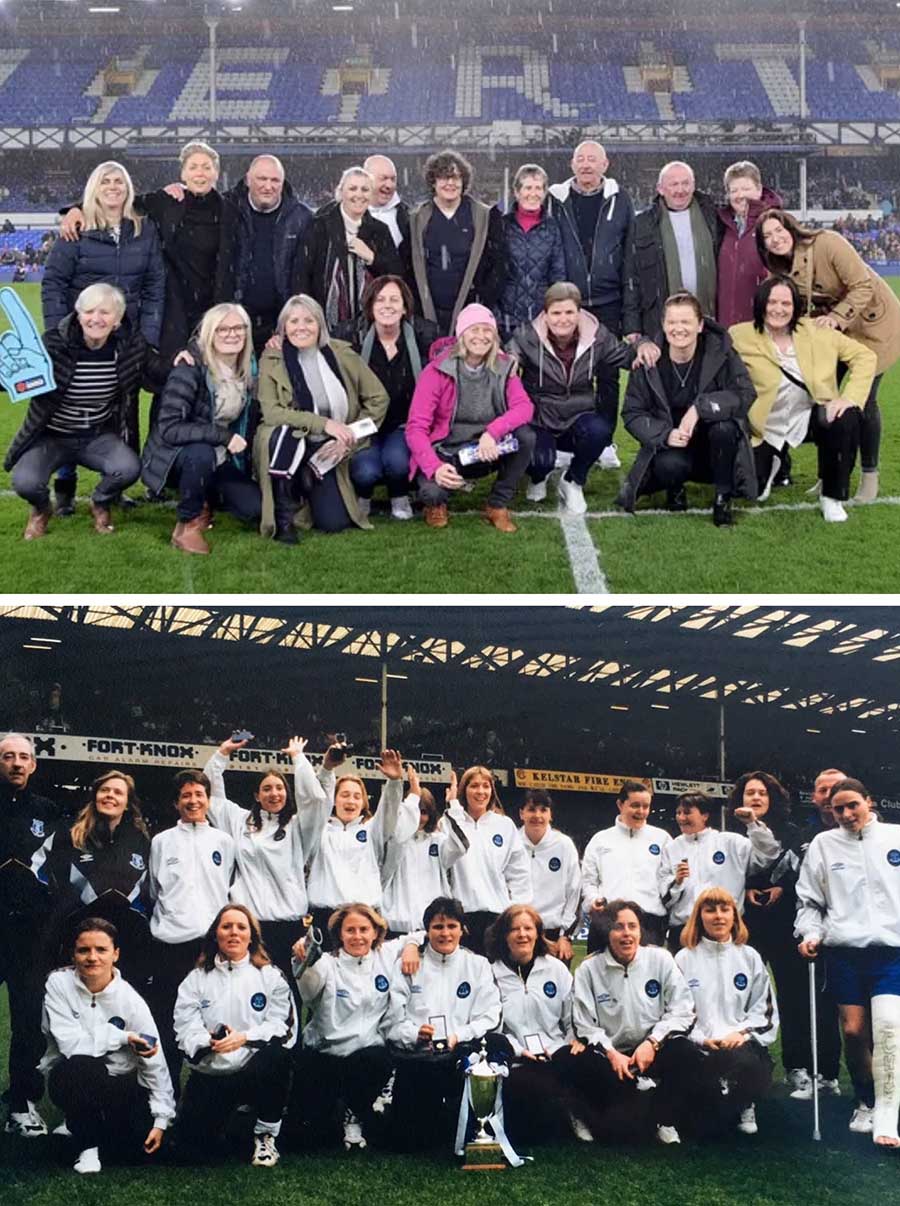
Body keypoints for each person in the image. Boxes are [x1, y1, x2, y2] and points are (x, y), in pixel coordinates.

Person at [41, 160, 165, 514]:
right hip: (80, 339)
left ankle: (114, 485)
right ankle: (64, 486)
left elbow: (156, 285)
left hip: (124, 340)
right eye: (106, 181)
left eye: (120, 182)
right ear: (94, 187)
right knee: (70, 405)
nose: (113, 187)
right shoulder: (74, 231)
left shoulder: (144, 229)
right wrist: (57, 334)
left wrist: (148, 336)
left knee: (121, 410)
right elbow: (53, 284)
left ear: (128, 189)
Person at [757, 206, 900, 502]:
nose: (775, 238)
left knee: (864, 399)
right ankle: (832, 475)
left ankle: (869, 476)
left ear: (791, 227)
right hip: (834, 333)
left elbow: (864, 284)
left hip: (875, 324)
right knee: (824, 396)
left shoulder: (828, 242)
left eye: (778, 230)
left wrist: (836, 317)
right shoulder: (780, 270)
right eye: (767, 236)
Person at [5, 283, 159, 541]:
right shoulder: (53, 344)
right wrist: (7, 375)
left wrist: (183, 360)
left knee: (128, 468)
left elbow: (157, 369)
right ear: (78, 314)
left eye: (105, 312)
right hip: (52, 435)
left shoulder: (131, 346)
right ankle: (41, 509)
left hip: (97, 435)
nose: (95, 319)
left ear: (118, 319)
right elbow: (20, 378)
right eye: (89, 311)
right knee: (25, 482)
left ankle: (100, 502)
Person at [61, 141, 238, 364]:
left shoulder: (230, 210)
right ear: (183, 173)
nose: (200, 173)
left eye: (206, 167)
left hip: (214, 307)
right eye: (193, 167)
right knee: (171, 378)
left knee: (212, 376)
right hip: (173, 311)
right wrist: (76, 209)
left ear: (216, 173)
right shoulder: (165, 202)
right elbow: (118, 200)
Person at [795, 777, 900, 1146]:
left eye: (852, 805)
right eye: (838, 808)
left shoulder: (895, 837)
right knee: (854, 1033)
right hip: (845, 953)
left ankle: (888, 1114)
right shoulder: (824, 845)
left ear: (869, 801)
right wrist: (811, 935)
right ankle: (866, 1100)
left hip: (892, 951)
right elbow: (809, 901)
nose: (846, 813)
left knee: (888, 1028)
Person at [729, 275, 876, 523]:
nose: (778, 309)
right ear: (761, 303)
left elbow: (865, 357)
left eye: (786, 304)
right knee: (750, 493)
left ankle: (832, 497)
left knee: (845, 416)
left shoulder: (818, 331)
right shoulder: (739, 334)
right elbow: (709, 348)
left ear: (796, 307)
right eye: (772, 302)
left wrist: (849, 398)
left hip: (807, 416)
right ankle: (772, 459)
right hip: (764, 426)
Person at [39, 917, 175, 1175]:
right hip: (71, 1077)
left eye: (101, 950)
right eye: (84, 950)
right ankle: (87, 1148)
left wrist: (160, 1120)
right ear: (73, 954)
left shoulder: (131, 1001)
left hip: (117, 1085)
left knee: (135, 1153)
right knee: (81, 1066)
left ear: (116, 954)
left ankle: (79, 1129)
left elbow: (154, 1059)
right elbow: (71, 1045)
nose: (92, 957)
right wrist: (122, 1037)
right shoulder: (58, 984)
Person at [507, 281, 658, 514]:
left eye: (570, 312)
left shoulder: (597, 336)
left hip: (578, 416)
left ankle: (573, 481)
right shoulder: (526, 336)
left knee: (600, 430)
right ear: (545, 315)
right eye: (556, 313)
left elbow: (626, 357)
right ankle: (538, 477)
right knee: (539, 461)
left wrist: (642, 344)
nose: (563, 319)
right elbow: (508, 357)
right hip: (540, 419)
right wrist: (508, 361)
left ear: (579, 313)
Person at [253, 293, 388, 542]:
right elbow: (272, 412)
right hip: (292, 439)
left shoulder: (342, 354)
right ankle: (284, 508)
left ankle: (307, 479)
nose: (301, 327)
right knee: (281, 435)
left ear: (320, 324)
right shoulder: (272, 358)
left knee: (333, 523)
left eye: (309, 320)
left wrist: (349, 436)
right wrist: (325, 423)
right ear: (284, 327)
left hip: (330, 445)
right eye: (293, 322)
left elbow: (379, 398)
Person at [617, 291, 757, 526]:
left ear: (700, 325)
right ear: (663, 325)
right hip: (674, 444)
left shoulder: (721, 352)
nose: (678, 329)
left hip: (712, 446)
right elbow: (632, 413)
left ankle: (723, 499)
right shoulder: (648, 359)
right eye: (672, 322)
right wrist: (665, 434)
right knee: (670, 466)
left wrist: (700, 408)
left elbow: (745, 393)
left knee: (724, 428)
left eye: (686, 322)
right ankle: (675, 487)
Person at [173, 904, 296, 1167]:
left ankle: (265, 1134)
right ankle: (237, 1122)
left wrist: (244, 1037)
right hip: (212, 1073)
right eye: (226, 926)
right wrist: (209, 1042)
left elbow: (283, 1028)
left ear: (252, 936)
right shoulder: (195, 980)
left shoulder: (271, 976)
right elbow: (184, 1030)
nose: (234, 933)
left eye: (241, 927)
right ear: (215, 934)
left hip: (253, 1070)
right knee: (190, 1151)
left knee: (277, 1056)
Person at [201, 732, 329, 985]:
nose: (274, 794)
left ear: (287, 793)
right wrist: (222, 754)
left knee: (290, 994)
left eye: (280, 788)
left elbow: (315, 800)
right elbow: (211, 797)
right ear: (257, 796)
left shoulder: (299, 827)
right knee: (248, 992)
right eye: (267, 789)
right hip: (250, 926)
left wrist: (299, 760)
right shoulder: (239, 821)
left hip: (290, 926)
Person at [572, 899, 698, 1144]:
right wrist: (611, 1053)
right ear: (607, 932)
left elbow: (684, 1011)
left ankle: (666, 1118)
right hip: (614, 1058)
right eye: (618, 927)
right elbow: (584, 1024)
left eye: (633, 926)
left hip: (653, 1051)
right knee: (621, 1130)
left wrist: (653, 1042)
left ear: (641, 931)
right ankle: (627, 1103)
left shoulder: (661, 959)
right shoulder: (589, 969)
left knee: (687, 1052)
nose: (626, 933)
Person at [141, 302, 261, 554]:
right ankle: (188, 524)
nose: (232, 334)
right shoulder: (190, 366)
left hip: (219, 456)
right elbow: (170, 429)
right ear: (209, 333)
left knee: (254, 509)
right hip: (176, 457)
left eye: (238, 328)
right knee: (201, 453)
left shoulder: (247, 368)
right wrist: (224, 436)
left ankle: (207, 497)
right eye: (222, 329)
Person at [386, 895, 502, 1151]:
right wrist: (415, 1033)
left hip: (460, 1055)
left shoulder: (478, 965)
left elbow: (491, 1014)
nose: (445, 933)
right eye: (438, 927)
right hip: (418, 1056)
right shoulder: (409, 964)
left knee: (451, 1132)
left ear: (463, 929)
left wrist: (460, 1035)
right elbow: (393, 1020)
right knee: (407, 1141)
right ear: (427, 930)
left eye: (452, 926)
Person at [405, 303, 535, 532]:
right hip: (448, 452)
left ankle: (497, 504)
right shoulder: (436, 371)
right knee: (431, 492)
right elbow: (416, 428)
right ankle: (436, 504)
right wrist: (434, 466)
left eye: (487, 331)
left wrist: (492, 433)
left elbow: (524, 407)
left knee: (526, 437)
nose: (481, 337)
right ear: (461, 335)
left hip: (488, 449)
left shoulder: (504, 366)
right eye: (474, 330)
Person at [548, 140, 638, 468]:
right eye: (581, 159)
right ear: (572, 164)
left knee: (608, 376)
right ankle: (563, 440)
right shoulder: (555, 199)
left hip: (609, 302)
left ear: (605, 164)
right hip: (568, 304)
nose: (586, 165)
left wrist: (631, 316)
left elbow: (630, 258)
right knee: (565, 375)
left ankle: (605, 441)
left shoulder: (620, 199)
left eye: (593, 160)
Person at [146, 768, 238, 1088]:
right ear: (176, 803)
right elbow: (154, 891)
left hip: (212, 946)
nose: (193, 800)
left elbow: (228, 887)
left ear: (208, 799)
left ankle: (215, 1093)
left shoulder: (224, 841)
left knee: (216, 1020)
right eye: (186, 795)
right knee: (170, 1024)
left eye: (199, 794)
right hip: (171, 946)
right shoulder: (161, 842)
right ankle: (166, 1098)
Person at [726, 771, 807, 1095]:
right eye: (749, 793)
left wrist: (780, 888)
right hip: (749, 927)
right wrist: (743, 890)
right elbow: (727, 873)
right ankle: (744, 1065)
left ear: (772, 798)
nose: (756, 798)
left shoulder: (790, 832)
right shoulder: (731, 832)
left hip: (785, 924)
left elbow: (801, 874)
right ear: (740, 799)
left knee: (794, 999)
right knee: (745, 997)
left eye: (762, 793)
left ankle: (797, 1066)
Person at [486, 904, 594, 1144]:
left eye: (528, 928)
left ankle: (577, 1113)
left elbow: (572, 1013)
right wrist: (518, 1050)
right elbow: (495, 1026)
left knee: (586, 1063)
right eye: (515, 929)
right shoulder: (492, 973)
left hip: (556, 1051)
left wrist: (573, 1040)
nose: (522, 934)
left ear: (538, 933)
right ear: (504, 935)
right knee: (532, 1106)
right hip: (518, 1058)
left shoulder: (555, 969)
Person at [293, 902, 397, 1151]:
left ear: (375, 932)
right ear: (339, 934)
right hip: (326, 1056)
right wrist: (305, 963)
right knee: (307, 1138)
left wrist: (413, 947)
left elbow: (422, 935)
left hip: (367, 1058)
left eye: (364, 929)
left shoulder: (387, 956)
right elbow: (307, 993)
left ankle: (355, 1112)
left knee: (377, 1059)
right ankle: (335, 1109)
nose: (358, 936)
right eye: (350, 930)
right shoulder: (326, 962)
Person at [675, 887, 778, 1138]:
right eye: (710, 910)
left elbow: (764, 1012)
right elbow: (677, 1010)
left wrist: (740, 1034)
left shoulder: (750, 957)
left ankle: (745, 1103)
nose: (718, 916)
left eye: (725, 909)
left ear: (735, 915)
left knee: (753, 1064)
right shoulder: (683, 959)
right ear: (699, 917)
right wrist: (701, 1038)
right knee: (704, 1122)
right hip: (700, 1044)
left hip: (738, 1043)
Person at [31, 770, 152, 983]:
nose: (110, 796)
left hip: (125, 944)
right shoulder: (68, 836)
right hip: (73, 940)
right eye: (104, 790)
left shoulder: (141, 842)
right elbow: (39, 875)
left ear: (127, 803)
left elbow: (147, 893)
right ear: (95, 796)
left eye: (117, 792)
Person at [336, 275, 439, 521]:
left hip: (403, 424)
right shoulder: (353, 338)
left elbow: (451, 352)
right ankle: (363, 496)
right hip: (365, 423)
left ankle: (399, 495)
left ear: (405, 307)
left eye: (395, 299)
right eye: (380, 300)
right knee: (365, 471)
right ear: (371, 307)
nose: (387, 305)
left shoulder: (424, 336)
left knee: (398, 463)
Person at [0, 732, 58, 1137]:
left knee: (27, 1020)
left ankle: (21, 1103)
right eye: (8, 757)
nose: (17, 764)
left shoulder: (49, 811)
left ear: (33, 765)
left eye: (23, 757)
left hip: (28, 933)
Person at [306, 747, 420, 942]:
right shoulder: (319, 831)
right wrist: (326, 770)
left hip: (364, 918)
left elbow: (389, 812)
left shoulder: (371, 831)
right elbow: (316, 802)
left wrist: (394, 783)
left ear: (364, 803)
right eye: (345, 795)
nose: (351, 801)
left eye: (357, 796)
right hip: (325, 918)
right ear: (334, 799)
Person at [784, 767, 847, 1099]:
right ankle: (800, 1068)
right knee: (801, 1002)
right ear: (814, 796)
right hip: (806, 931)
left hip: (851, 934)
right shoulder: (800, 835)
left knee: (844, 1010)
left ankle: (830, 1072)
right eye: (822, 790)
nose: (828, 795)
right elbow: (783, 875)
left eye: (835, 788)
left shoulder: (866, 834)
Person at [658, 790, 781, 952]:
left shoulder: (730, 842)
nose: (681, 818)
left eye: (687, 813)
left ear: (705, 815)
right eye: (678, 813)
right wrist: (677, 882)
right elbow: (664, 896)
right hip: (685, 929)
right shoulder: (671, 848)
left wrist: (752, 824)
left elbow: (768, 854)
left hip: (726, 927)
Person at [405, 149, 506, 337]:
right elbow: (408, 266)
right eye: (444, 177)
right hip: (427, 315)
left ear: (464, 182)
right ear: (433, 181)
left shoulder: (485, 216)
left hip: (471, 314)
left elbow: (498, 265)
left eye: (456, 178)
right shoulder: (417, 219)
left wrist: (481, 302)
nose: (450, 183)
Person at [624, 161, 720, 341]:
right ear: (660, 188)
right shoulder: (643, 224)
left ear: (694, 185)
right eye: (674, 184)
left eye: (685, 183)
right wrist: (632, 325)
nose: (680, 190)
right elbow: (631, 277)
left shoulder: (713, 216)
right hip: (661, 320)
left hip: (710, 318)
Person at [442, 765, 532, 954]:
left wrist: (514, 913)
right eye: (474, 786)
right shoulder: (447, 822)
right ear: (463, 789)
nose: (481, 792)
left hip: (496, 917)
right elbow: (445, 863)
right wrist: (454, 809)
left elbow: (519, 874)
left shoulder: (504, 825)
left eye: (486, 786)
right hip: (461, 917)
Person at [300, 166, 402, 329]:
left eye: (365, 189)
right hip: (324, 323)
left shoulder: (380, 230)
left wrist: (371, 257)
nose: (359, 195)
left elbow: (396, 275)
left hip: (370, 324)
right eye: (353, 189)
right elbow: (303, 275)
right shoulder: (319, 226)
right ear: (341, 193)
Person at [581, 780, 672, 951]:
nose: (641, 812)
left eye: (646, 806)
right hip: (608, 920)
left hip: (649, 922)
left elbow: (669, 881)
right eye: (635, 805)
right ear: (620, 804)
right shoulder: (601, 840)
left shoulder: (662, 839)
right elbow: (588, 881)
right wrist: (594, 900)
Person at [381, 779, 468, 938]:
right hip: (396, 925)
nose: (418, 817)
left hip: (431, 927)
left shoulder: (438, 841)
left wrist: (453, 804)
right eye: (415, 810)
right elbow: (397, 827)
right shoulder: (394, 841)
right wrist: (411, 800)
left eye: (424, 812)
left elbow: (460, 846)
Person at [495, 163, 565, 341]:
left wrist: (553, 313)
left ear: (544, 192)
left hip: (540, 317)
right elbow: (493, 273)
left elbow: (558, 274)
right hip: (506, 317)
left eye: (538, 188)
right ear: (517, 192)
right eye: (527, 188)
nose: (532, 194)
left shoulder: (552, 228)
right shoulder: (501, 225)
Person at [715, 161, 783, 328]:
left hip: (761, 325)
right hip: (726, 325)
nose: (740, 195)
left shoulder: (775, 223)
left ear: (759, 190)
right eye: (734, 190)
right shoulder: (723, 225)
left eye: (746, 189)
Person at [517, 790, 580, 963]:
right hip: (519, 933)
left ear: (550, 814)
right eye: (531, 809)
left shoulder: (564, 845)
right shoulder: (511, 843)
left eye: (543, 810)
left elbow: (574, 893)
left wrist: (565, 936)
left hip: (554, 935)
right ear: (521, 813)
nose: (537, 816)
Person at [363, 154, 409, 251]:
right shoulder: (347, 214)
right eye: (383, 178)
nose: (389, 185)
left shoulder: (408, 217)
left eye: (393, 179)